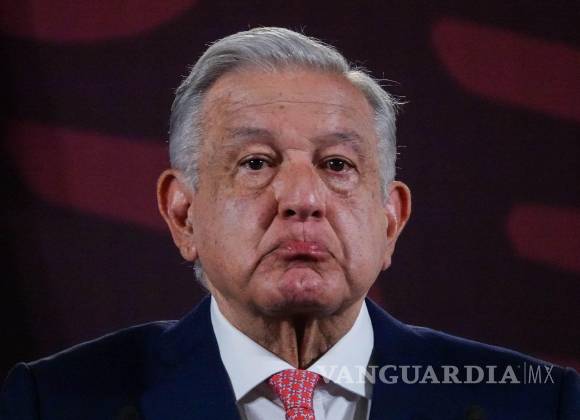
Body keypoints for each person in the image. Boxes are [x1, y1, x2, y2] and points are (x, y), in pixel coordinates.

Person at [1, 27, 578, 420]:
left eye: (337, 165)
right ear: (183, 213)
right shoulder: (52, 403)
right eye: (256, 162)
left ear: (390, 220)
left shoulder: (538, 405)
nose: (303, 199)